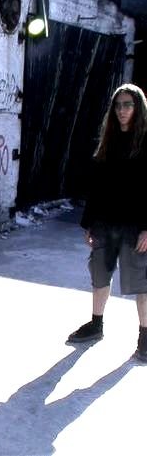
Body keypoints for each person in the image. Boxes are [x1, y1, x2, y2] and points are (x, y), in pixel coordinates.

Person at [67, 83, 147, 362]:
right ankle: (96, 324)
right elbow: (97, 186)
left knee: (140, 282)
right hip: (105, 222)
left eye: (128, 105)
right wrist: (89, 223)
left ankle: (145, 336)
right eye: (118, 105)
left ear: (138, 108)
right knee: (100, 275)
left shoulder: (145, 142)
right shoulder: (109, 140)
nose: (122, 110)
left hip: (135, 225)